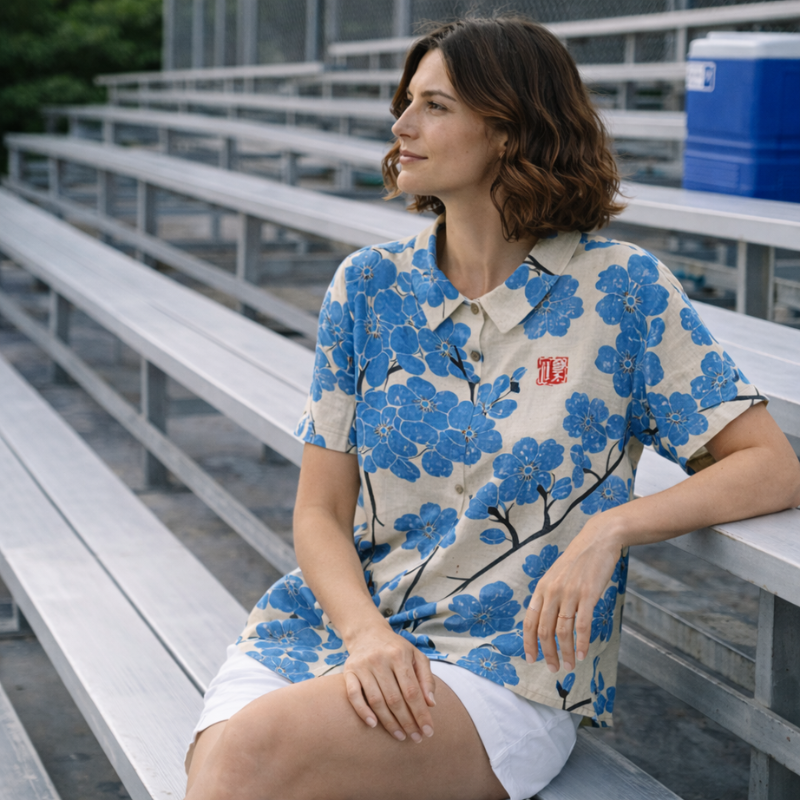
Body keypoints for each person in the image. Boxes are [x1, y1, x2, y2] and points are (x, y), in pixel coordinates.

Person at [184, 17, 800, 800]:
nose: (401, 127)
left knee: (249, 760)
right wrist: (366, 635)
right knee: (224, 762)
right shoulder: (366, 287)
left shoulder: (622, 290)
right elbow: (318, 512)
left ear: (509, 130)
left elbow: (770, 467)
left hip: (504, 664)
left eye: (434, 106)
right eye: (405, 103)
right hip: (333, 627)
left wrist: (610, 529)